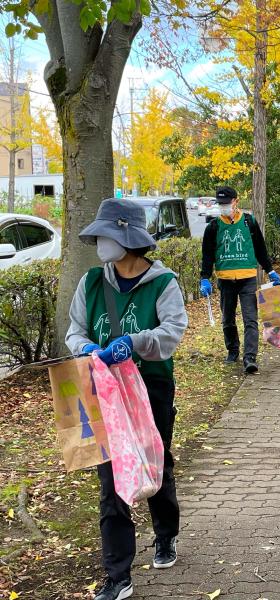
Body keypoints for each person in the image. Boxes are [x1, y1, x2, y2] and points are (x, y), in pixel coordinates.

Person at [65, 198, 188, 600]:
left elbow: (171, 332)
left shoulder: (163, 283)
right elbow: (75, 330)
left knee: (156, 462)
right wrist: (87, 349)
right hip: (101, 392)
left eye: (107, 235)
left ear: (128, 239)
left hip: (150, 386)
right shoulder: (91, 282)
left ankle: (166, 534)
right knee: (110, 477)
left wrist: (135, 342)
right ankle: (118, 575)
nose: (101, 243)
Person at [199, 186, 280, 374]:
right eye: (221, 204)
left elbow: (260, 249)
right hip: (225, 279)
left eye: (227, 203)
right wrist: (204, 278)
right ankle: (233, 350)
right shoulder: (213, 227)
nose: (224, 207)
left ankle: (250, 358)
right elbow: (207, 256)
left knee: (250, 319)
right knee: (228, 319)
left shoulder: (248, 222)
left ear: (236, 201)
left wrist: (270, 270)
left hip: (247, 278)